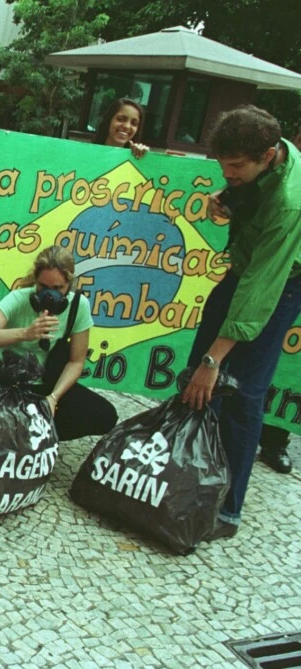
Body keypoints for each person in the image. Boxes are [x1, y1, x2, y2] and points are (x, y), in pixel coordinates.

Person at [181, 105, 301, 540]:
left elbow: (259, 290)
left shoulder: (289, 203)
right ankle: (186, 481)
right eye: (222, 165)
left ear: (268, 156)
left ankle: (226, 510)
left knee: (241, 394)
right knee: (194, 380)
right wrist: (229, 202)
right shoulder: (265, 153)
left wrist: (215, 361)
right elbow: (246, 196)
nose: (226, 172)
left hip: (280, 283)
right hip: (240, 271)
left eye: (235, 167)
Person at [0, 245, 118, 441]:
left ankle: (36, 436)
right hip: (6, 378)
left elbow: (76, 362)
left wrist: (53, 398)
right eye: (43, 287)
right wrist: (24, 333)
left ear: (69, 284)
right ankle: (4, 432)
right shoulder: (19, 299)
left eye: (58, 288)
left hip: (43, 385)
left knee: (104, 414)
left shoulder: (78, 306)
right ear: (35, 281)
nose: (50, 295)